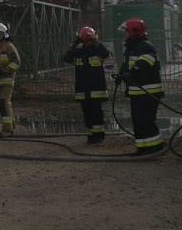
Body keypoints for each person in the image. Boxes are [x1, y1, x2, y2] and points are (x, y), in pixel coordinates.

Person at [115, 18, 166, 155]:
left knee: (146, 121)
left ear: (134, 32)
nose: (125, 34)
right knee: (138, 121)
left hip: (149, 92)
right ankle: (143, 148)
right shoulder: (132, 48)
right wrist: (121, 75)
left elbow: (143, 65)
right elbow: (127, 65)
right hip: (138, 92)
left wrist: (131, 73)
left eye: (126, 32)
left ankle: (155, 147)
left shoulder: (146, 46)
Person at [63, 26, 111, 144]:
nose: (88, 42)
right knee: (87, 112)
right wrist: (73, 46)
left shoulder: (98, 50)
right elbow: (67, 58)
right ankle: (91, 134)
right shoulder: (79, 52)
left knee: (96, 112)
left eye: (90, 40)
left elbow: (106, 54)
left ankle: (99, 135)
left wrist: (97, 43)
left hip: (96, 89)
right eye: (86, 40)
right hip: (83, 90)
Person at [0, 23, 21, 137]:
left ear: (4, 34)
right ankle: (11, 126)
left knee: (4, 102)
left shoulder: (9, 47)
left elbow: (17, 63)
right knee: (0, 103)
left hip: (7, 80)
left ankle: (7, 130)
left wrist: (3, 70)